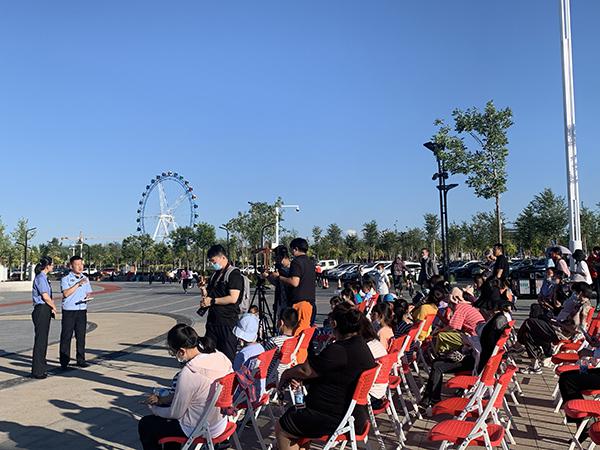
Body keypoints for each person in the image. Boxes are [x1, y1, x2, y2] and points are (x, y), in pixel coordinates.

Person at [275, 306, 376, 450]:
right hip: (354, 415)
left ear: (334, 323)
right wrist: (304, 379)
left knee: (283, 427)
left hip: (335, 417)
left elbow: (305, 370)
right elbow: (329, 373)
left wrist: (287, 374)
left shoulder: (339, 350)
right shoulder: (360, 344)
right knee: (297, 422)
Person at [138, 325, 232, 450]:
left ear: (182, 351)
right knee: (166, 421)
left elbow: (175, 414)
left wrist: (154, 409)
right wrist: (162, 400)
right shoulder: (220, 356)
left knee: (146, 424)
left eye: (173, 352)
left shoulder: (189, 373)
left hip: (199, 427)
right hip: (220, 422)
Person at [518, 283, 592, 374]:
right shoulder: (580, 304)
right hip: (559, 328)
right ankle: (535, 366)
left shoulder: (584, 307)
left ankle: (517, 346)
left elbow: (577, 328)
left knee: (529, 322)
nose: (574, 294)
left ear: (580, 293)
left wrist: (559, 324)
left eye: (575, 292)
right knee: (527, 335)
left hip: (561, 333)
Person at [200, 245, 243, 362]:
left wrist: (213, 301)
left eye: (213, 261)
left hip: (227, 321)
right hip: (213, 321)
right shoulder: (215, 275)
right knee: (209, 354)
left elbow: (233, 298)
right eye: (211, 261)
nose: (212, 264)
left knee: (227, 356)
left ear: (222, 257)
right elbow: (208, 295)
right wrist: (203, 289)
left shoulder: (233, 274)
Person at [273, 238, 316, 335]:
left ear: (295, 249)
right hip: (310, 302)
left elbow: (294, 282)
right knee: (306, 333)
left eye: (291, 249)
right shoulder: (310, 262)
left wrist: (279, 277)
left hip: (300, 303)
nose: (291, 252)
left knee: (297, 333)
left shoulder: (296, 262)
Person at [60, 255, 93, 369]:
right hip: (69, 310)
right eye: (77, 265)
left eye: (81, 264)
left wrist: (88, 296)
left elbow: (88, 292)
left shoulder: (85, 278)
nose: (80, 267)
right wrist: (78, 284)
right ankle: (64, 361)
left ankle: (81, 359)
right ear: (71, 266)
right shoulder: (66, 279)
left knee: (81, 336)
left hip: (81, 310)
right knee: (66, 336)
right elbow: (66, 293)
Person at [31, 256, 56, 379]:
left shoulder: (44, 277)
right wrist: (54, 307)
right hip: (41, 309)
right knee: (40, 341)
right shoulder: (41, 278)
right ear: (47, 266)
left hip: (45, 309)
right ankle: (38, 370)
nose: (53, 266)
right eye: (52, 264)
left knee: (43, 340)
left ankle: (41, 367)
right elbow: (45, 296)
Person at [267, 245, 294, 322]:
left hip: (290, 302)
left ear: (283, 257)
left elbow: (291, 283)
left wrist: (279, 276)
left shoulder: (293, 268)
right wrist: (268, 276)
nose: (276, 260)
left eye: (277, 258)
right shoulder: (280, 269)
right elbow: (278, 283)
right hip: (281, 301)